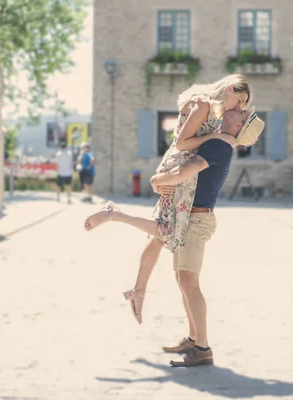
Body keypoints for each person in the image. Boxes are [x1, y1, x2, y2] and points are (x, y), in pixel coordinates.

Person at [84, 106, 264, 367]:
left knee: (189, 281)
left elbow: (182, 173)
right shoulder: (216, 140)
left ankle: (203, 348)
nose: (239, 109)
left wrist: (157, 179)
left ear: (239, 126)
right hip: (188, 216)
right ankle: (193, 339)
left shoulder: (220, 146)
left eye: (242, 114)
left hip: (196, 220)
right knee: (182, 278)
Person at [86, 75, 250, 325]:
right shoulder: (203, 104)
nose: (238, 107)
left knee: (158, 238)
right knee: (167, 230)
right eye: (239, 100)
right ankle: (113, 214)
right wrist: (215, 138)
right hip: (179, 167)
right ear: (229, 89)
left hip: (183, 168)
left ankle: (138, 291)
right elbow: (182, 141)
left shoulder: (210, 110)